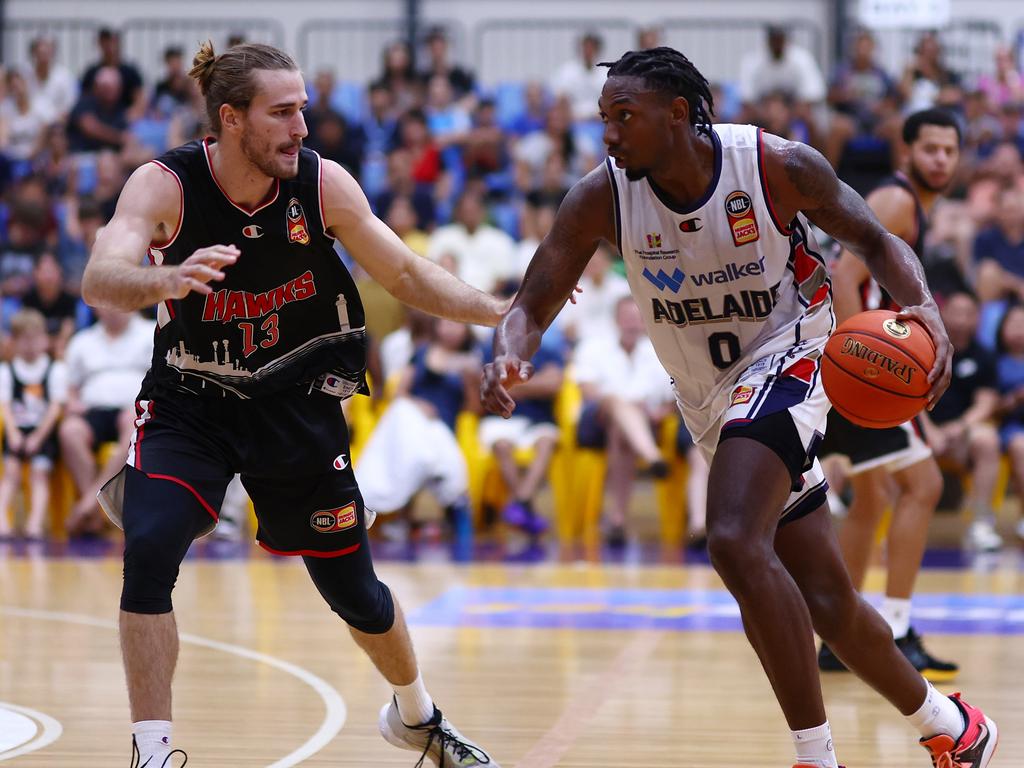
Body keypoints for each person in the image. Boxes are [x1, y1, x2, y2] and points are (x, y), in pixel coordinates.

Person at [481, 47, 997, 768]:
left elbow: (876, 240)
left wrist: (923, 309)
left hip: (794, 358)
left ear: (680, 115)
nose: (609, 135)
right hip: (707, 399)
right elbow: (530, 303)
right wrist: (508, 350)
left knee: (728, 537)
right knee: (825, 597)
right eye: (605, 119)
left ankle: (816, 757)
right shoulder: (600, 196)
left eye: (624, 117)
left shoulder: (777, 165)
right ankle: (953, 726)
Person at [81, 41, 500, 767]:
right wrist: (166, 281)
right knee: (148, 553)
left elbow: (403, 271)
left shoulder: (322, 183)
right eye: (283, 112)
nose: (302, 126)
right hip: (193, 401)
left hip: (294, 405)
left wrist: (501, 309)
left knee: (359, 596)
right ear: (231, 118)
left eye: (302, 108)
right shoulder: (164, 187)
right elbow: (99, 277)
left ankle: (417, 716)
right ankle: (152, 755)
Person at [821, 108, 962, 682]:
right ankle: (897, 631)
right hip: (851, 362)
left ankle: (839, 639)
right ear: (907, 153)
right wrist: (860, 363)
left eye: (950, 151)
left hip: (841, 359)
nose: (941, 160)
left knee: (874, 496)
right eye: (931, 149)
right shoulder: (897, 200)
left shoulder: (913, 206)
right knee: (923, 485)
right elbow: (841, 277)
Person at [923, 290, 1001, 550]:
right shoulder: (924, 346)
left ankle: (981, 524)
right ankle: (888, 528)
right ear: (943, 313)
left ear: (978, 318)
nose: (962, 319)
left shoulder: (984, 356)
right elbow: (907, 399)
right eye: (956, 312)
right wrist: (930, 431)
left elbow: (986, 403)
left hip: (961, 435)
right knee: (896, 440)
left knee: (988, 441)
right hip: (923, 430)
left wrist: (960, 427)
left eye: (969, 313)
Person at [0, 309, 67, 540]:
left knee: (39, 473)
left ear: (45, 340)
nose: (30, 345)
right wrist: (13, 434)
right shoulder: (7, 370)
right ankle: (3, 522)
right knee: (10, 472)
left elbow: (55, 408)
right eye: (24, 339)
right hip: (17, 431)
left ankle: (35, 523)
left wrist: (38, 437)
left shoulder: (54, 368)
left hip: (43, 432)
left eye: (35, 338)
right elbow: (5, 406)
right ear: (14, 342)